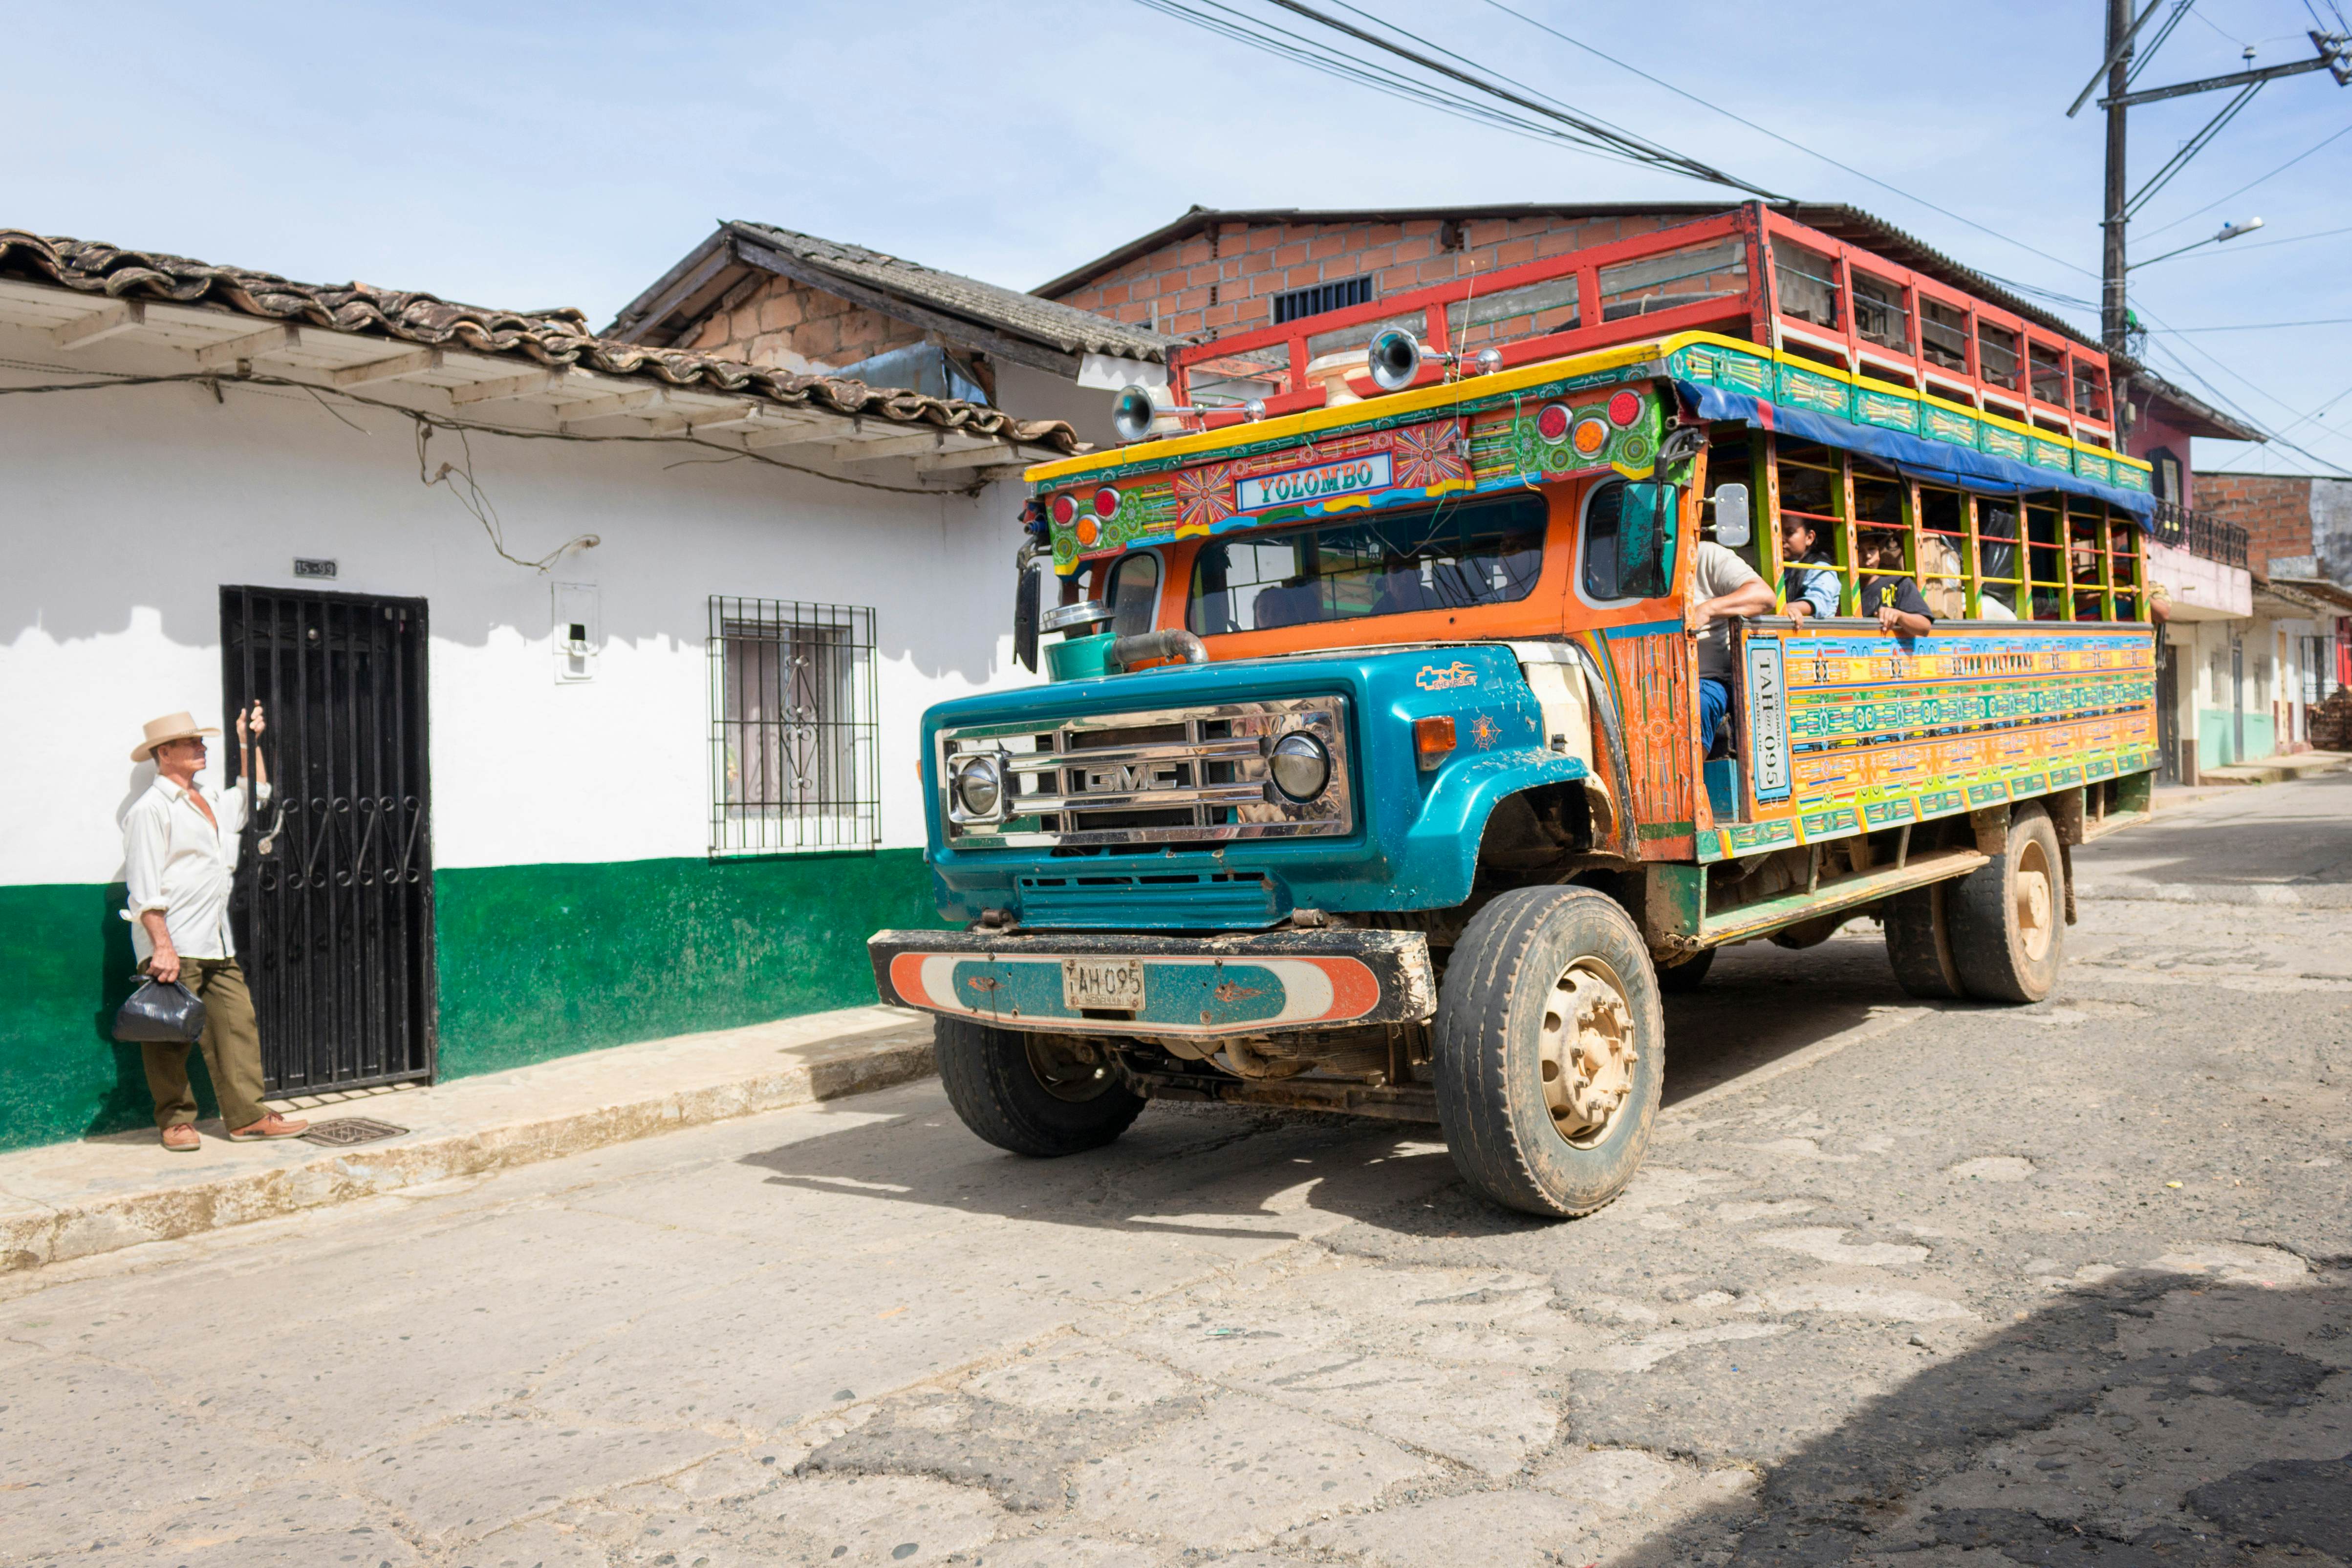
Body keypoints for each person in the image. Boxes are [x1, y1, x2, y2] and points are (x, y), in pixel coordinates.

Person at [123, 707, 308, 1152]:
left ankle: (247, 1116)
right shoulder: (150, 810)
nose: (202, 747)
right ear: (164, 753)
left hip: (216, 939)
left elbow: (256, 790)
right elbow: (144, 888)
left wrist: (248, 741)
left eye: (201, 741)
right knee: (169, 1037)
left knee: (236, 1024)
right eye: (192, 742)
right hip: (173, 942)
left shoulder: (209, 799)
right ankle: (176, 1122)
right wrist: (161, 947)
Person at [1686, 539, 1779, 750]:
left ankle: (1691, 781)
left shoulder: (1704, 555)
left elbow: (1764, 597)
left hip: (1708, 679)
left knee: (1696, 704)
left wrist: (1708, 609)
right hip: (1651, 682)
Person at [1856, 535, 1936, 637]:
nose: (1868, 556)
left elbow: (1925, 627)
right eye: (1859, 551)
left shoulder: (1899, 583)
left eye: (1872, 549)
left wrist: (1899, 615)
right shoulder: (1845, 592)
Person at [1778, 515, 1840, 622]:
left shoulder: (1821, 568)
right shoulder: (1782, 569)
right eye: (1776, 533)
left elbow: (1818, 602)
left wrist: (1784, 609)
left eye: (1790, 533)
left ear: (1809, 538)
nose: (1781, 539)